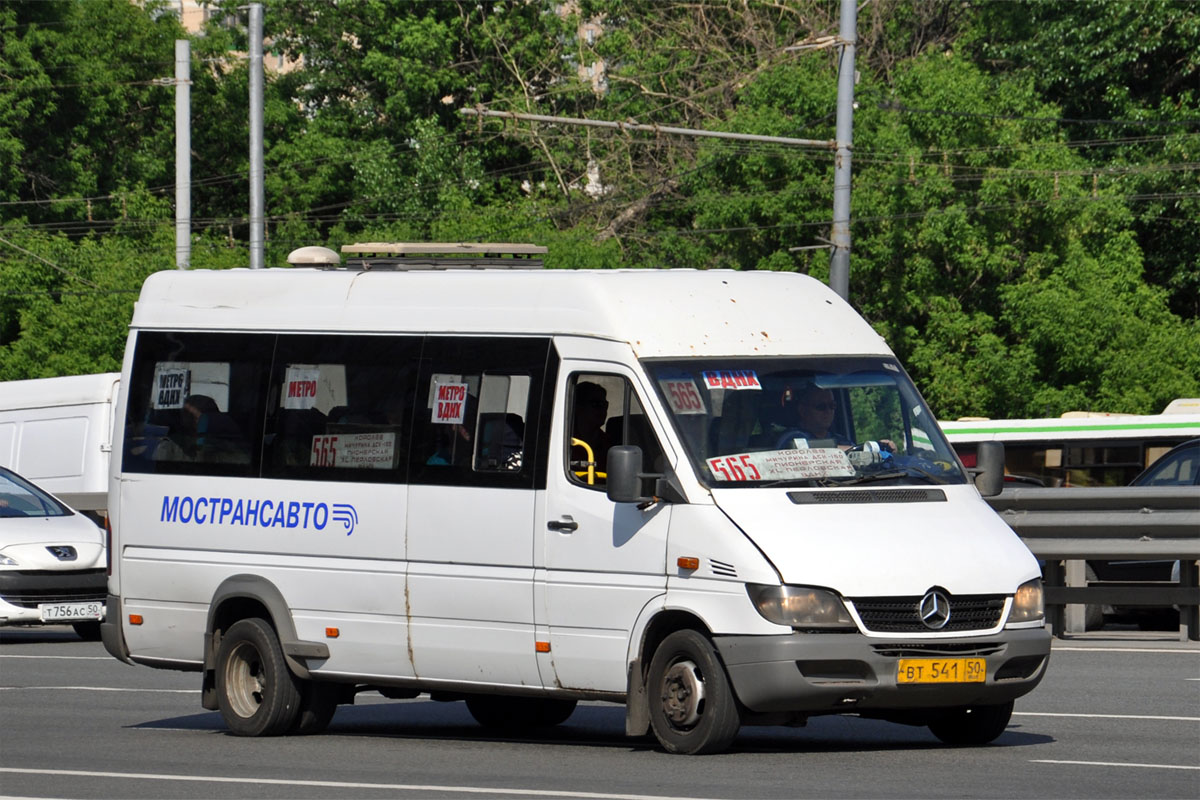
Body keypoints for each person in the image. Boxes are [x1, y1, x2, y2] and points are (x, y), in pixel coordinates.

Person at [571, 381, 613, 478]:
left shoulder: (609, 443)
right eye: (596, 404)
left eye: (605, 405)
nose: (602, 409)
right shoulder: (564, 441)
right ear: (578, 407)